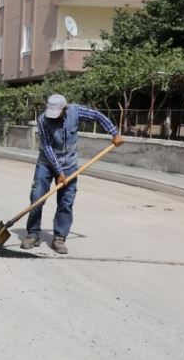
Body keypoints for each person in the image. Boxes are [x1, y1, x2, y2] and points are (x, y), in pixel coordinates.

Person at [23, 94, 124, 254]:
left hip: (69, 164)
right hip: (47, 163)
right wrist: (59, 171)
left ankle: (59, 237)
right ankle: (33, 234)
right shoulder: (43, 120)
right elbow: (48, 147)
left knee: (66, 201)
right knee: (37, 197)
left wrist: (114, 133)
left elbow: (97, 115)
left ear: (65, 109)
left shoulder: (75, 111)